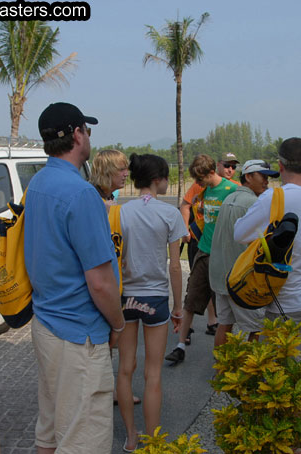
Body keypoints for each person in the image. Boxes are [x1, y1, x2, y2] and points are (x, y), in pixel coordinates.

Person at [25, 102, 125, 453]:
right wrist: (118, 323)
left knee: (51, 431)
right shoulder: (82, 194)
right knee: (83, 439)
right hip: (78, 334)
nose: (90, 137)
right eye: (88, 130)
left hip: (48, 323)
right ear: (77, 134)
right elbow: (100, 282)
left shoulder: (38, 182)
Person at [234, 138, 301, 452]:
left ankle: (289, 439)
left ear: (279, 166)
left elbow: (240, 234)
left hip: (286, 303)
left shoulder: (275, 198)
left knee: (286, 379)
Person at [116, 153, 186, 452]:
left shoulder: (119, 212)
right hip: (155, 297)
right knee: (153, 372)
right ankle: (152, 439)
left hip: (125, 297)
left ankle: (131, 437)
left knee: (125, 368)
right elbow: (174, 265)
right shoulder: (169, 214)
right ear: (157, 180)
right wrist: (178, 306)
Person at [165, 154, 237, 364]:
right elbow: (188, 205)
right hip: (204, 252)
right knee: (192, 299)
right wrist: (187, 227)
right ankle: (180, 346)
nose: (197, 183)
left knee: (225, 305)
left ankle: (228, 354)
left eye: (200, 179)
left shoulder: (232, 190)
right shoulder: (202, 190)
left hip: (224, 255)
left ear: (212, 172)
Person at [91, 149, 141, 407]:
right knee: (105, 345)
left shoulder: (108, 199)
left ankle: (111, 390)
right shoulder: (94, 202)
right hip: (100, 290)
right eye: (121, 169)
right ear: (106, 171)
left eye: (126, 168)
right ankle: (104, 393)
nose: (126, 174)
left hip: (115, 284)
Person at [209, 160, 279, 347]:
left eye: (268, 177)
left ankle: (220, 371)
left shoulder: (229, 199)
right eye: (262, 176)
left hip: (221, 275)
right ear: (248, 176)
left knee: (225, 324)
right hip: (241, 279)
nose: (266, 181)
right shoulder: (253, 203)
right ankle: (251, 372)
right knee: (255, 328)